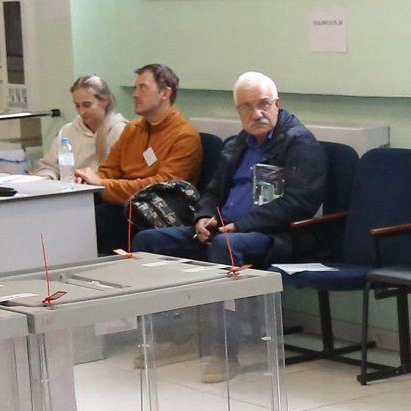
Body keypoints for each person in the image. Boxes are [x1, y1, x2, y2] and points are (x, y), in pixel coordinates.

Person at [132, 71, 328, 382]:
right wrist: (202, 217)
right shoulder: (236, 144)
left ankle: (224, 352)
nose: (257, 113)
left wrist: (241, 225)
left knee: (224, 247)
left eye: (264, 104)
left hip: (277, 235)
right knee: (148, 242)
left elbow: (299, 203)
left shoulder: (299, 143)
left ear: (277, 104)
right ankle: (168, 337)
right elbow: (213, 192)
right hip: (226, 229)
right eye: (247, 107)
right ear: (238, 110)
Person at [75, 63, 202, 254]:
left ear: (165, 93)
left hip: (154, 212)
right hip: (123, 203)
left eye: (143, 88)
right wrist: (89, 180)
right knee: (76, 209)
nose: (135, 94)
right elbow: (109, 169)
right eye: (135, 88)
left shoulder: (184, 136)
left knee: (99, 218)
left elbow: (160, 188)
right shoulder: (133, 129)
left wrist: (102, 184)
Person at [35, 75, 127, 179]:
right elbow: (49, 166)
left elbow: (125, 176)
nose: (81, 112)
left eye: (87, 105)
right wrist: (47, 177)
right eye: (77, 105)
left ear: (105, 102)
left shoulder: (120, 131)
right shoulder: (67, 131)